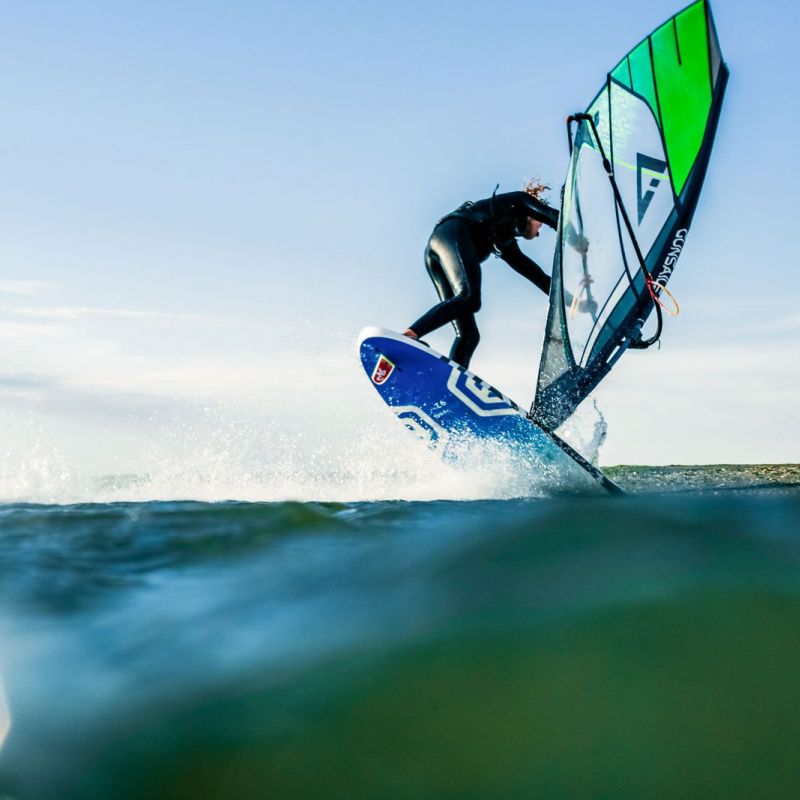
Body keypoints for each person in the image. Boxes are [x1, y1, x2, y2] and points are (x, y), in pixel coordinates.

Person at [403, 180, 562, 368]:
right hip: (452, 233)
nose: (538, 234)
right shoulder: (518, 201)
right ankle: (409, 336)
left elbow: (540, 279)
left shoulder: (505, 244)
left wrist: (573, 300)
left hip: (436, 251)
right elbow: (555, 217)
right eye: (540, 226)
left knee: (468, 335)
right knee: (470, 297)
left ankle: (452, 382)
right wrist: (578, 242)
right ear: (533, 215)